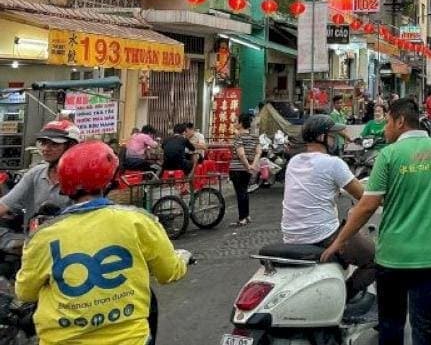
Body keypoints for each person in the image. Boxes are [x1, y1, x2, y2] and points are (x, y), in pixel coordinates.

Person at [326, 98, 431, 345]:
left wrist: (339, 241)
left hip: (392, 258)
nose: (385, 129)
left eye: (387, 122)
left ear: (400, 121)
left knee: (391, 325)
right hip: (430, 258)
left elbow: (367, 206)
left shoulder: (388, 155)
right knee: (425, 326)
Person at [15, 141, 189, 345]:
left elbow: (25, 292)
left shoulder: (42, 235)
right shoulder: (138, 221)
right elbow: (168, 272)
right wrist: (183, 258)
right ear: (110, 180)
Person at [280, 116, 376, 300]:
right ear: (321, 137)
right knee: (375, 260)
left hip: (291, 235)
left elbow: (313, 186)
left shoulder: (294, 162)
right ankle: (345, 297)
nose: (335, 139)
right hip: (322, 235)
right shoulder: (333, 163)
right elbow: (363, 197)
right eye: (332, 135)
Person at [0, 120, 80, 220]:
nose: (46, 148)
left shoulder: (80, 178)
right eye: (43, 143)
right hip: (35, 230)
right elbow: (5, 203)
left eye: (54, 144)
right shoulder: (35, 173)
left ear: (71, 146)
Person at [229, 112, 261, 227]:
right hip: (247, 170)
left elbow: (241, 154)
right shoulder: (255, 137)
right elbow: (258, 152)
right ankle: (247, 216)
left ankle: (242, 218)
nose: (234, 123)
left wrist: (247, 166)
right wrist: (252, 166)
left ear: (241, 123)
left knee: (240, 193)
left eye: (236, 121)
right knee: (245, 191)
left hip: (237, 169)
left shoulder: (238, 137)